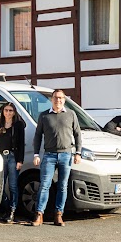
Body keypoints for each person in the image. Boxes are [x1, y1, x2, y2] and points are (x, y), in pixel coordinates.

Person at [31, 89, 82, 227]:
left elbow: (77, 134)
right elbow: (37, 136)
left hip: (66, 155)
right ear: (51, 99)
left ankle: (58, 215)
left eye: (60, 98)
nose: (58, 100)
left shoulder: (71, 114)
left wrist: (78, 153)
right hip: (49, 155)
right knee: (44, 185)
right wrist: (36, 154)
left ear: (64, 100)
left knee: (62, 186)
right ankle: (39, 214)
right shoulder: (44, 116)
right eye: (55, 98)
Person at [0, 102, 26, 223]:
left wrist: (20, 160)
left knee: (12, 186)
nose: (8, 113)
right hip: (1, 157)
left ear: (14, 112)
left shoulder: (18, 125)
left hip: (12, 157)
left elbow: (21, 144)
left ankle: (12, 211)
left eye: (10, 110)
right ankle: (6, 208)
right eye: (6, 110)